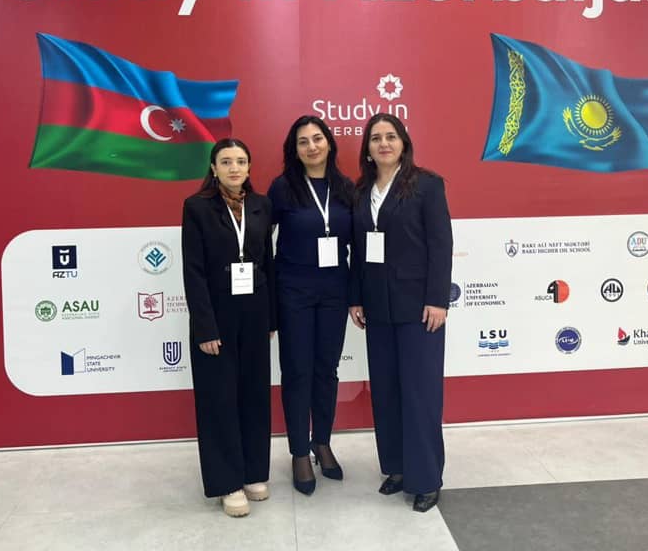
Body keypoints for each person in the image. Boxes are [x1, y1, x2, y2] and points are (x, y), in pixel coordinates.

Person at [348, 113, 453, 513]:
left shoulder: (427, 185)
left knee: (420, 394)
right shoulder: (361, 191)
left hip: (419, 308)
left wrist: (438, 300)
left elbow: (440, 244)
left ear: (403, 143)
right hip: (377, 307)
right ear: (368, 149)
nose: (383, 144)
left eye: (391, 136)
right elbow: (357, 250)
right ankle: (396, 468)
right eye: (376, 138)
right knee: (387, 391)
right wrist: (356, 298)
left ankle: (425, 478)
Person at [182, 138, 276, 517]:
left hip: (255, 312)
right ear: (214, 167)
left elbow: (268, 263)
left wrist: (271, 318)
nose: (234, 168)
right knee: (219, 398)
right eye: (226, 161)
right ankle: (227, 482)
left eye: (240, 161)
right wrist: (204, 328)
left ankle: (253, 472)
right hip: (216, 316)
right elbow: (193, 271)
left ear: (249, 167)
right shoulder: (197, 207)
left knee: (254, 393)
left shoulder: (261, 205)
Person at [267, 116, 354, 495]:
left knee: (326, 369)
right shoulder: (283, 188)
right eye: (303, 142)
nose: (312, 147)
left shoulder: (346, 187)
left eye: (317, 139)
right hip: (294, 291)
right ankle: (299, 452)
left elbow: (359, 245)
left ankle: (322, 442)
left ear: (329, 143)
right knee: (297, 371)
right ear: (295, 149)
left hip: (335, 290)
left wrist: (357, 295)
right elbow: (260, 240)